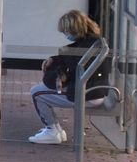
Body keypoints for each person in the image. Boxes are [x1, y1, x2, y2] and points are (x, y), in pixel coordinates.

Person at [28, 10, 109, 144]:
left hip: (88, 93)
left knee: (36, 92)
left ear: (74, 29)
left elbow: (72, 65)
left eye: (67, 32)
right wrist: (53, 60)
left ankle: (52, 130)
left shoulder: (86, 46)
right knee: (40, 90)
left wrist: (57, 70)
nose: (66, 35)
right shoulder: (91, 41)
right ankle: (56, 131)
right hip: (94, 90)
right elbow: (69, 59)